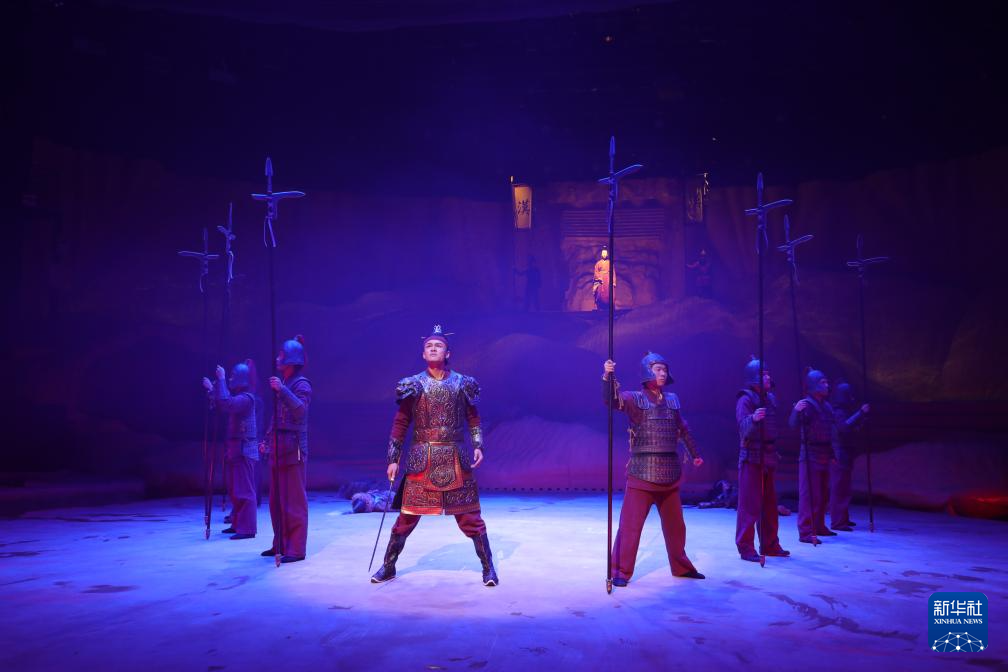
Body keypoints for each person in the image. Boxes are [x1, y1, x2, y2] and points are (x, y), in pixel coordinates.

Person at [371, 325, 498, 587]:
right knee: (406, 517)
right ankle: (389, 566)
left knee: (470, 517)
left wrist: (478, 444)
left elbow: (473, 418)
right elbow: (401, 423)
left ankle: (488, 568)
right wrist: (393, 458)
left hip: (455, 457)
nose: (433, 348)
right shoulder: (413, 384)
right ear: (422, 353)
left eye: (438, 345)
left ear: (447, 353)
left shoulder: (463, 383)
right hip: (422, 458)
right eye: (428, 346)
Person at [603, 352, 705, 586]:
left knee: (676, 527)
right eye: (658, 369)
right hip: (643, 472)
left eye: (664, 369)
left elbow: (682, 429)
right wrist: (608, 377)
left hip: (669, 472)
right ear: (647, 371)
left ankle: (681, 567)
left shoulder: (672, 400)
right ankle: (619, 571)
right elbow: (612, 400)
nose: (662, 373)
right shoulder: (635, 399)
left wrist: (695, 454)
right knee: (630, 527)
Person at [259, 335, 312, 563]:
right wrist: (266, 440)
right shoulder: (284, 383)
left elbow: (300, 411)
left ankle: (296, 548)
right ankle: (280, 543)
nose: (277, 358)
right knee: (276, 501)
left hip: (293, 450)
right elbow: (277, 418)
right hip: (278, 448)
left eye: (281, 355)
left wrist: (282, 390)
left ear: (290, 359)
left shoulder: (301, 385)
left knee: (294, 501)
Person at [734, 358, 789, 562]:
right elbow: (742, 429)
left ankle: (770, 544)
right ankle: (746, 548)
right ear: (753, 378)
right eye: (763, 374)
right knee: (749, 506)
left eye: (768, 374)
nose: (768, 377)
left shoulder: (770, 399)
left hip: (768, 456)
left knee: (769, 504)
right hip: (751, 457)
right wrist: (754, 419)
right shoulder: (745, 399)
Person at [203, 360, 260, 540]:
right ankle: (237, 523)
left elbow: (227, 404)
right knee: (235, 490)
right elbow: (223, 402)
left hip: (244, 450)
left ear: (241, 379)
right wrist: (212, 390)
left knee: (244, 490)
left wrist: (220, 380)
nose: (230, 379)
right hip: (235, 449)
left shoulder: (247, 398)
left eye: (233, 376)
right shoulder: (239, 397)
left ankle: (247, 528)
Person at [789, 368, 835, 545]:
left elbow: (829, 432)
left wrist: (832, 453)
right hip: (809, 455)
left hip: (824, 454)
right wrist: (796, 411)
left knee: (823, 494)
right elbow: (793, 425)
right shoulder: (806, 405)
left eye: (827, 382)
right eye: (823, 382)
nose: (827, 385)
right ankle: (806, 531)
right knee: (809, 495)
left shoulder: (826, 407)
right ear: (814, 385)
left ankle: (819, 525)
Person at [829, 382, 870, 531]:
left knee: (844, 488)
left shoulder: (844, 411)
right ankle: (838, 521)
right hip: (839, 453)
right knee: (839, 488)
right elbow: (844, 428)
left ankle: (843, 518)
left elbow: (852, 430)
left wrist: (862, 419)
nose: (852, 398)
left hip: (846, 452)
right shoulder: (837, 412)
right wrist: (860, 413)